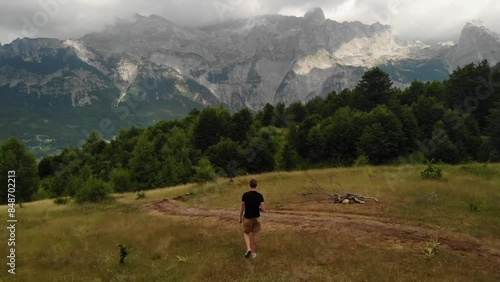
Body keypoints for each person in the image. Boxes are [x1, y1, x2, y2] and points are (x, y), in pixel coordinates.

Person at [239, 178, 266, 259]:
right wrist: (259, 208)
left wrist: (240, 218)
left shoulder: (245, 195)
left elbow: (242, 208)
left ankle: (248, 248)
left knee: (246, 233)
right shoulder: (259, 196)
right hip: (256, 218)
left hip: (247, 218)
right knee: (255, 234)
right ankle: (253, 253)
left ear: (250, 185)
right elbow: (264, 209)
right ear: (256, 185)